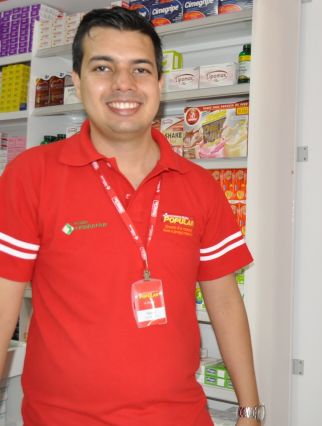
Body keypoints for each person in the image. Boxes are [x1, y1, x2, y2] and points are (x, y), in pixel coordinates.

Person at [0, 7, 264, 425]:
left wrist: (250, 410)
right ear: (77, 81)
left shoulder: (199, 184)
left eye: (140, 69)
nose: (123, 83)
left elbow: (226, 302)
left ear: (159, 84)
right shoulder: (30, 175)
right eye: (103, 67)